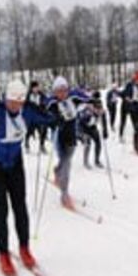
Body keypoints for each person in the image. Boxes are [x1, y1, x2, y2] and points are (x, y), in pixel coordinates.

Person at [0, 80, 53, 276]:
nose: (16, 106)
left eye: (19, 102)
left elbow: (48, 118)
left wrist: (57, 120)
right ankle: (3, 254)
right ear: (5, 98)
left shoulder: (28, 110)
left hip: (15, 163)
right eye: (12, 102)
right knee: (1, 208)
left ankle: (24, 248)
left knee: (20, 206)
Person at [46, 76, 86, 209]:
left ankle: (57, 171)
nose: (62, 93)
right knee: (67, 165)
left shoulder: (73, 99)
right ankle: (64, 194)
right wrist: (52, 120)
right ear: (55, 91)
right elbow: (43, 113)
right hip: (59, 137)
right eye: (59, 90)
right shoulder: (52, 103)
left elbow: (87, 99)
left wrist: (96, 104)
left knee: (65, 162)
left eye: (64, 90)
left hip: (71, 136)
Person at [79, 93, 107, 169]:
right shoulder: (87, 110)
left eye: (100, 108)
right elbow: (82, 120)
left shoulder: (100, 108)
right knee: (88, 144)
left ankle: (97, 161)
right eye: (97, 109)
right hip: (84, 128)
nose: (99, 110)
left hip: (93, 127)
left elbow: (104, 120)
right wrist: (93, 114)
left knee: (98, 143)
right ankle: (85, 162)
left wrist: (105, 131)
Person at [25, 81, 49, 154]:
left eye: (37, 87)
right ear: (32, 88)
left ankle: (42, 145)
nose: (36, 89)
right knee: (29, 131)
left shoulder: (41, 95)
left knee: (43, 130)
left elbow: (46, 103)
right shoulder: (28, 95)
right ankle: (27, 144)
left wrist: (44, 108)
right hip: (31, 117)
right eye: (35, 87)